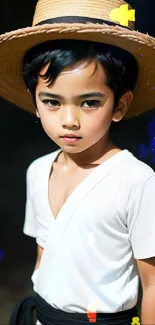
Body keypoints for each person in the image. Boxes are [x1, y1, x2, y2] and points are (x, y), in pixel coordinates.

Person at [1, 0, 155, 324]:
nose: (69, 121)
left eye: (89, 102)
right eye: (52, 102)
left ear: (120, 105)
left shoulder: (137, 182)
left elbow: (152, 283)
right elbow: (45, 252)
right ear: (35, 101)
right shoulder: (38, 171)